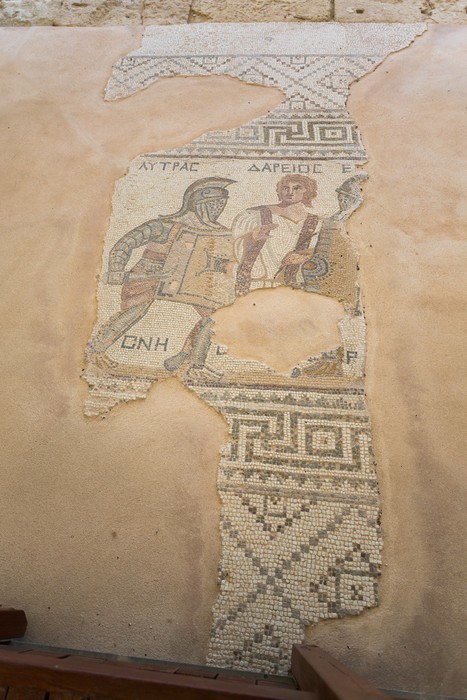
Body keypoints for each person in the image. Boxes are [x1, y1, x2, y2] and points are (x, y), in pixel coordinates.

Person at [87, 177, 236, 379]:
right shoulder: (164, 226)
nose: (218, 208)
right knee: (133, 312)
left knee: (216, 316)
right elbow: (126, 243)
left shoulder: (218, 233)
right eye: (213, 203)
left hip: (191, 281)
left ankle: (192, 362)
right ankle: (96, 351)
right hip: (150, 274)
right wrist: (116, 271)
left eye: (221, 203)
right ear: (198, 202)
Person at [233, 174, 320, 295]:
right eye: (285, 188)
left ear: (308, 191)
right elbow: (233, 246)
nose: (290, 192)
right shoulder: (254, 215)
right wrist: (251, 237)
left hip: (292, 289)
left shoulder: (317, 222)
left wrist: (306, 256)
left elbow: (321, 251)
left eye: (297, 188)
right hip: (256, 285)